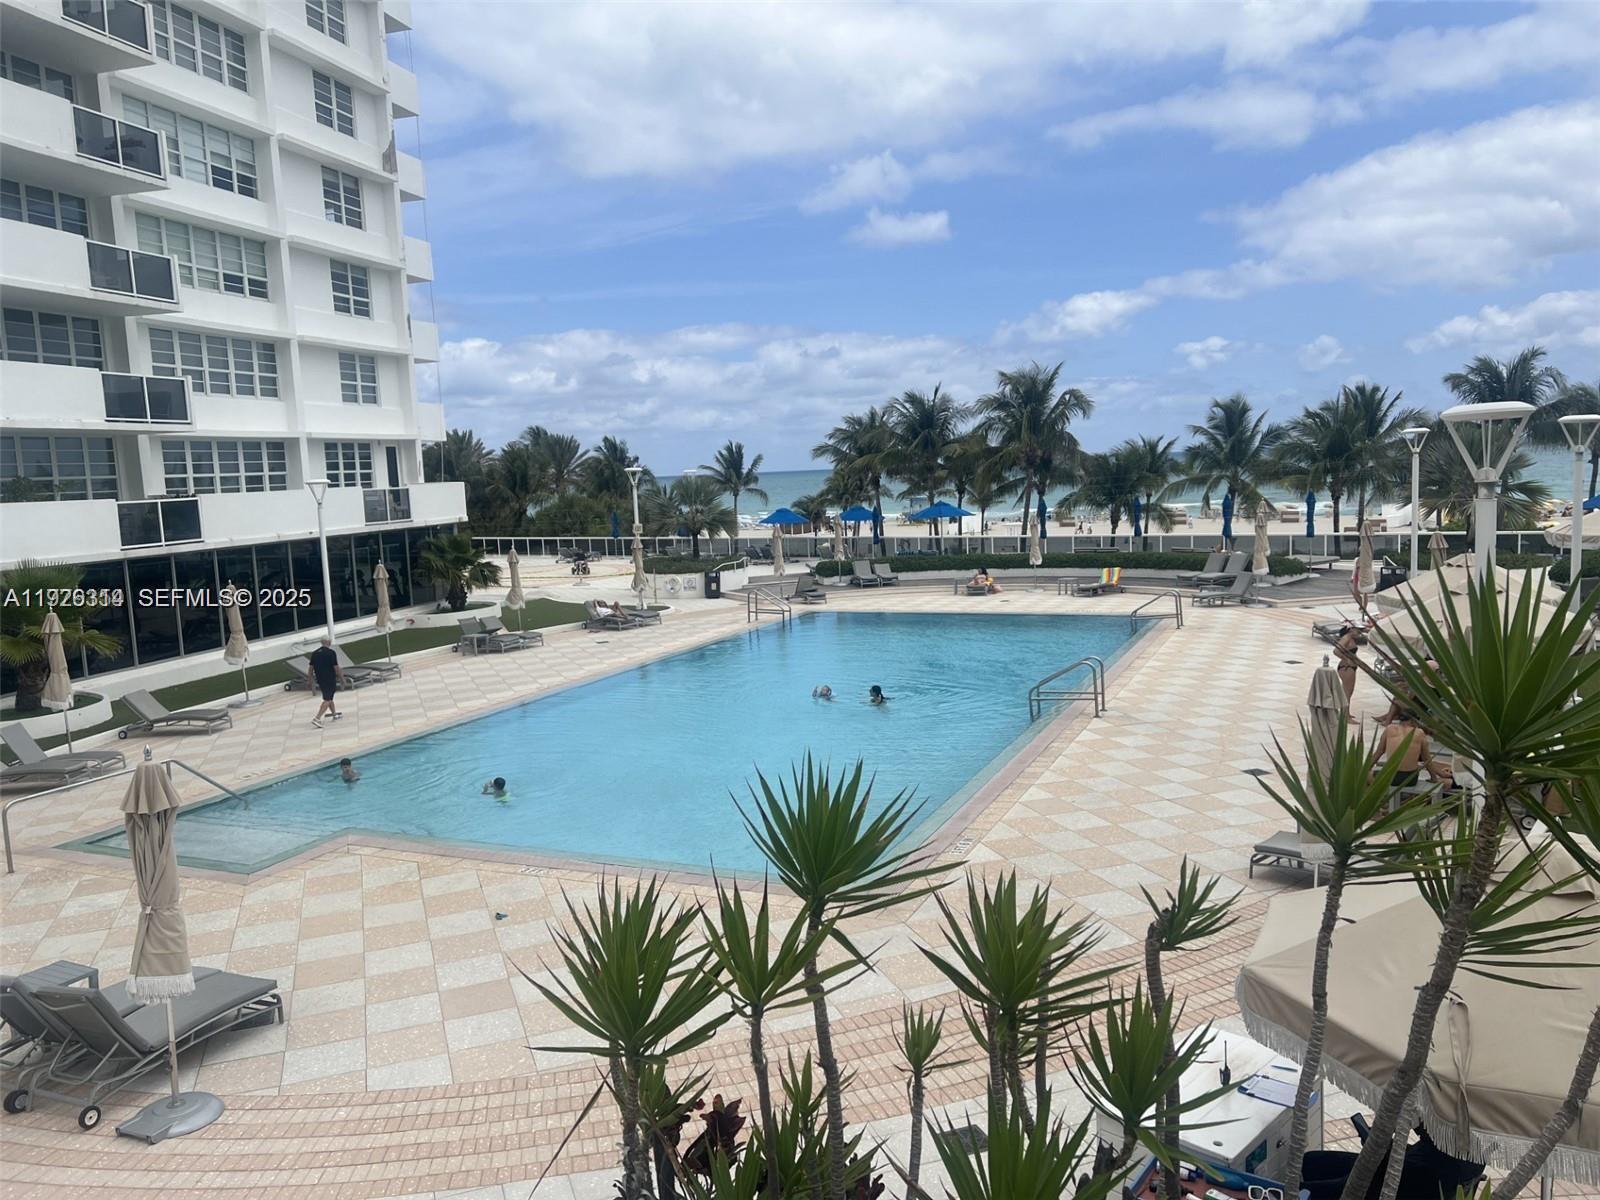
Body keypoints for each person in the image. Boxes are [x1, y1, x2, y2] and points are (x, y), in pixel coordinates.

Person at [307, 637, 343, 728]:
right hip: (329, 678)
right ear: (329, 642)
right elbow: (336, 667)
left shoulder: (315, 653)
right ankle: (317, 718)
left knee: (329, 696)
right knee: (327, 699)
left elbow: (310, 668)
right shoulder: (331, 653)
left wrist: (309, 680)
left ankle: (334, 714)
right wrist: (342, 678)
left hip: (320, 679)